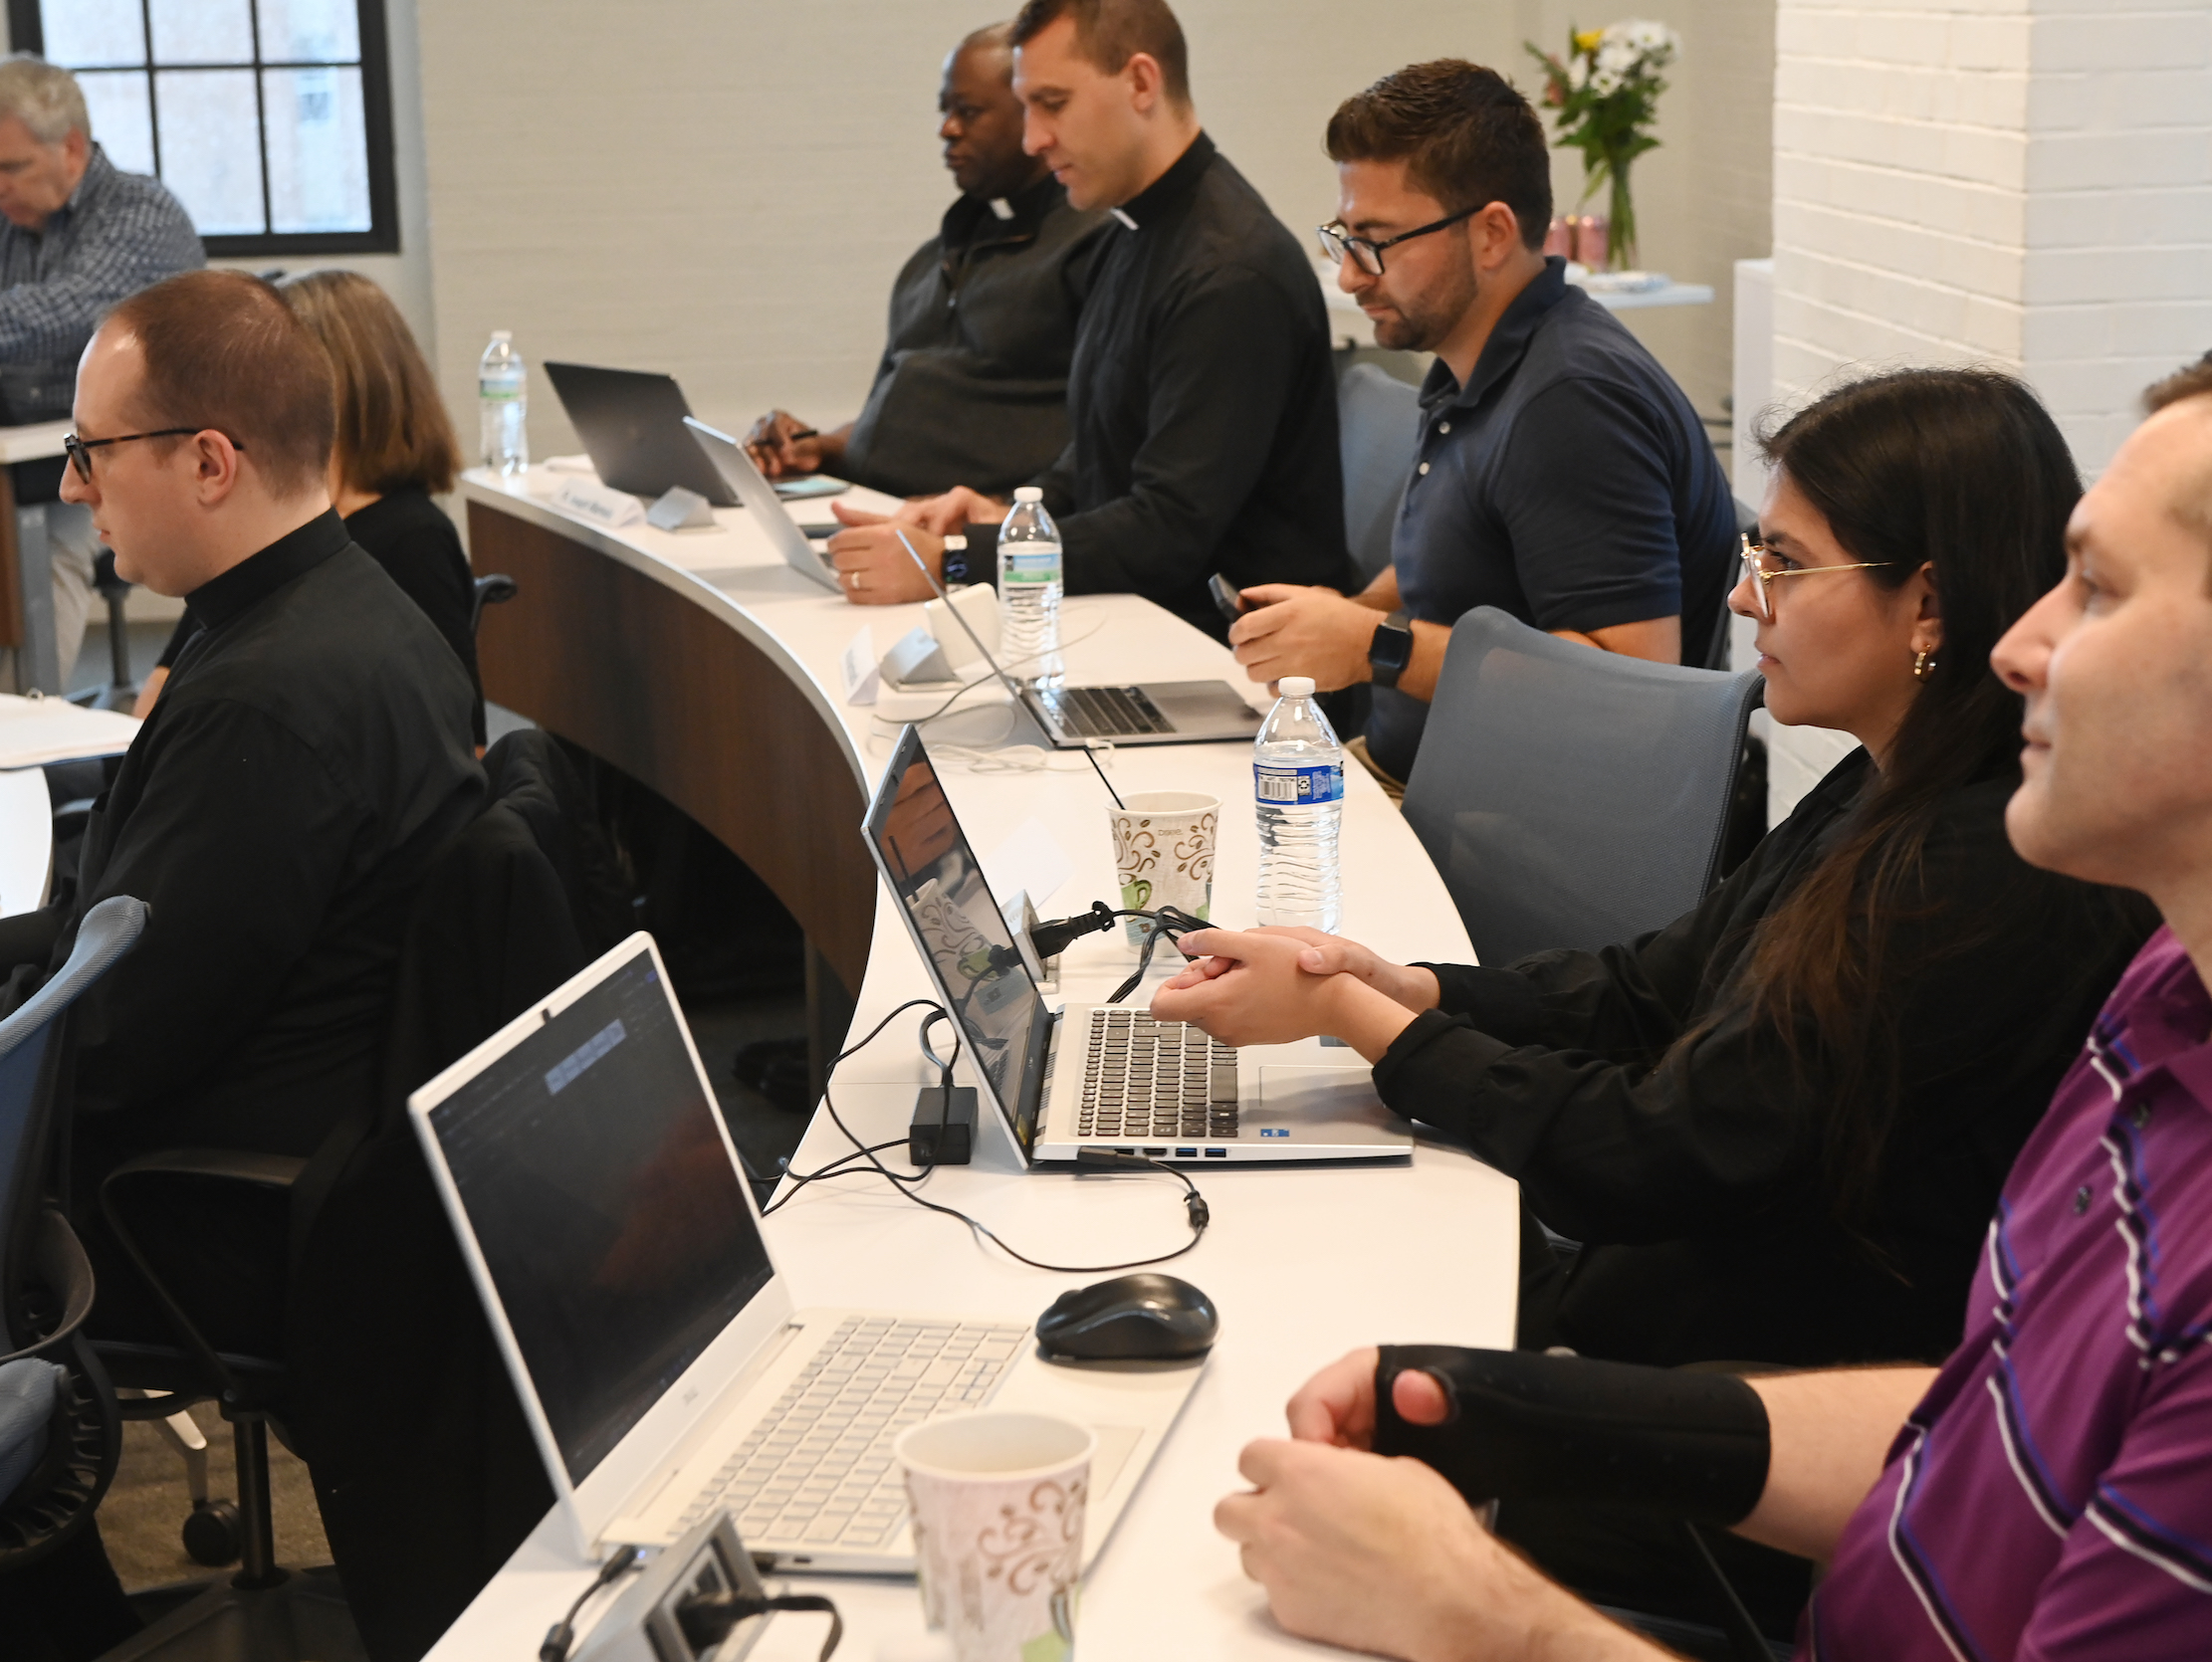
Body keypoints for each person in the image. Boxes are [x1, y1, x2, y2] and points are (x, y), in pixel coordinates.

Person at [1212, 357, 2212, 1662]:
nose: (2022, 642)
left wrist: (1486, 1615)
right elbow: (1977, 1419)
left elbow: (1669, 1149)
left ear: (1923, 599)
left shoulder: (1990, 879)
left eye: (2098, 591)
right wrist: (1503, 1402)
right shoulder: (2147, 998)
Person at [1228, 61, 1736, 789]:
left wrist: (1378, 646)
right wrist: (1350, 614)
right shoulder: (1480, 361)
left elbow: (1632, 693)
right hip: (1428, 785)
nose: (1349, 274)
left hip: (1511, 839)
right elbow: (1476, 541)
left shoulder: (1572, 402)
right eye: (1343, 236)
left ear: (1492, 233)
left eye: (1376, 240)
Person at [821, 0, 1356, 638]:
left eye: (1054, 103)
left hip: (1232, 666)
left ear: (1140, 83)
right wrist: (1013, 514)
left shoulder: (1229, 271)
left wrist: (957, 563)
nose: (1033, 139)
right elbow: (1105, 451)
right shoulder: (1134, 229)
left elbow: (1168, 530)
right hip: (1139, 623)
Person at [743, 24, 1107, 500]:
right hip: (871, 507)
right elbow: (894, 408)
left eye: (968, 111)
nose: (946, 128)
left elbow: (1106, 442)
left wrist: (993, 517)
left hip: (983, 537)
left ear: (1031, 114)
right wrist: (819, 447)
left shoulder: (1093, 246)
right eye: (944, 110)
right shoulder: (931, 259)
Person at [134, 269, 486, 745]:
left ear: (334, 386)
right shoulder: (267, 526)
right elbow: (159, 693)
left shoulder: (413, 540)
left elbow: (462, 745)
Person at [0, 54, 201, 684]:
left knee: (44, 542)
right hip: (21, 457)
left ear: (73, 149)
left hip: (120, 457)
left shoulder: (142, 214)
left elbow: (60, 317)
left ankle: (31, 713)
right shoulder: (11, 220)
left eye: (12, 167)